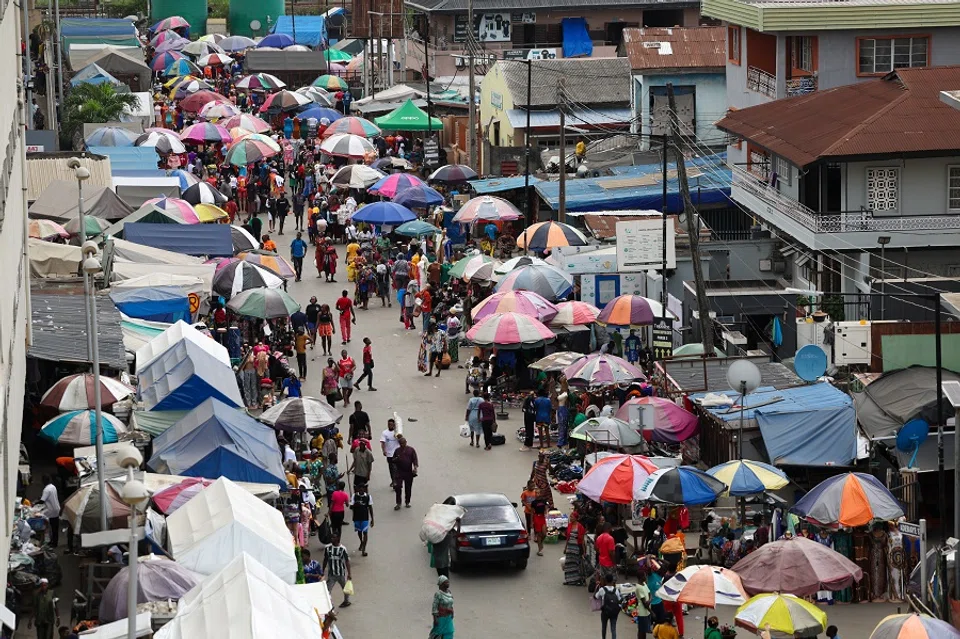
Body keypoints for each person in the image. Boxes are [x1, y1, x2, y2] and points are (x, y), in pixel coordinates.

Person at [322, 532, 352, 608]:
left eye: (333, 537)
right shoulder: (327, 548)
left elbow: (347, 561)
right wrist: (322, 570)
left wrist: (349, 573)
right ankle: (329, 604)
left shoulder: (343, 549)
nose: (332, 539)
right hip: (331, 574)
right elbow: (325, 559)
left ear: (338, 538)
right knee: (328, 590)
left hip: (341, 573)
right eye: (331, 537)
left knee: (345, 588)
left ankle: (346, 601)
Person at [392, 435, 418, 510]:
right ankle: (398, 503)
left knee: (408, 488)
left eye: (403, 443)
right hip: (399, 472)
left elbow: (415, 459)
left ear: (406, 442)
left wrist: (415, 468)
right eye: (401, 443)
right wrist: (396, 459)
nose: (402, 445)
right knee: (398, 487)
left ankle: (407, 502)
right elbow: (393, 461)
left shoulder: (411, 450)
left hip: (408, 472)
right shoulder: (397, 451)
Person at [349, 482, 374, 556]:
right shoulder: (354, 496)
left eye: (363, 488)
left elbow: (370, 507)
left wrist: (372, 519)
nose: (361, 490)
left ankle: (364, 549)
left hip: (365, 517)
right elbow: (351, 507)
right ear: (358, 489)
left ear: (365, 489)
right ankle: (361, 541)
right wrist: (354, 504)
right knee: (359, 532)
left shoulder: (368, 497)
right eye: (360, 488)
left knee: (365, 532)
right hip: (356, 517)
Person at [595, 572, 621, 639]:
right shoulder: (616, 590)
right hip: (614, 612)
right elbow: (619, 600)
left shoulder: (602, 589)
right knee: (613, 629)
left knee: (604, 627)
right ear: (612, 581)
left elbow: (595, 597)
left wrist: (598, 586)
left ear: (605, 581)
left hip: (605, 612)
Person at [380, 418, 401, 488]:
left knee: (395, 467)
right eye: (389, 424)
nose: (390, 426)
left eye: (392, 424)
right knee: (391, 468)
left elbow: (401, 441)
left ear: (394, 425)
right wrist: (384, 451)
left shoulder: (397, 432)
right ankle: (393, 480)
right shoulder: (384, 433)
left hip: (397, 452)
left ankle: (396, 481)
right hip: (389, 454)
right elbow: (383, 443)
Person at [40, 475, 60, 548]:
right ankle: (55, 542)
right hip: (57, 509)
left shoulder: (46, 490)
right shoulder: (52, 487)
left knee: (51, 527)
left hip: (51, 511)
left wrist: (35, 503)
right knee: (56, 528)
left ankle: (53, 543)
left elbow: (42, 501)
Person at [634, 570, 653, 639]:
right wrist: (652, 612)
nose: (646, 577)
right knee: (641, 630)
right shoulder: (639, 588)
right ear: (641, 577)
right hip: (642, 613)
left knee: (644, 630)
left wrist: (649, 600)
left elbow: (650, 593)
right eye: (644, 575)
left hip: (646, 612)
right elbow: (645, 604)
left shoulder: (644, 584)